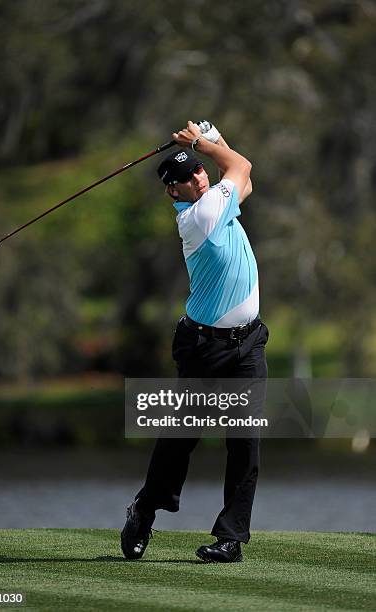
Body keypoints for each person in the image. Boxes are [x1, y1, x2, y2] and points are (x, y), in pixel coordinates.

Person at [121, 120, 269, 563]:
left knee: (245, 442)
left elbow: (244, 180)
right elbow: (241, 166)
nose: (198, 178)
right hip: (204, 347)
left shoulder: (217, 202)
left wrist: (213, 140)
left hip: (248, 345)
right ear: (174, 192)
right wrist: (209, 143)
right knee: (181, 438)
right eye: (187, 178)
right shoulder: (200, 217)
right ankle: (144, 511)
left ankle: (230, 538)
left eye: (200, 170)